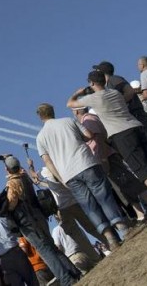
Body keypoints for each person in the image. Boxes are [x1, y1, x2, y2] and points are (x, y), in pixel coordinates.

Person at [35, 103, 128, 250]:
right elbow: (88, 135)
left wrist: (60, 178)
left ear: (40, 117)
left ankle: (109, 236)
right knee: (103, 196)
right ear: (52, 112)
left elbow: (48, 161)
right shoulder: (68, 121)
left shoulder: (40, 138)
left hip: (68, 174)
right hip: (85, 162)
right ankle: (122, 226)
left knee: (88, 205)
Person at [68, 71, 147, 201]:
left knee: (142, 170)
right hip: (137, 126)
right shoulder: (115, 93)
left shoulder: (94, 98)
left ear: (91, 83)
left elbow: (70, 104)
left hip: (121, 134)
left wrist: (77, 93)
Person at [2, 156, 80, 285]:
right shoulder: (25, 177)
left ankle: (66, 280)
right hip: (39, 215)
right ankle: (73, 272)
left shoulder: (12, 183)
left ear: (7, 169)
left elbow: (12, 203)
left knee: (45, 251)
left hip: (28, 221)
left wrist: (5, 208)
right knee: (51, 247)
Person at [72, 106, 147, 222]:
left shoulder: (88, 120)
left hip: (107, 156)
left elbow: (99, 139)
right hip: (105, 156)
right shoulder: (87, 120)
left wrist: (104, 159)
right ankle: (140, 213)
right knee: (122, 186)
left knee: (127, 180)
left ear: (76, 111)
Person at [92, 61, 147, 172]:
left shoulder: (114, 80)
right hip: (134, 118)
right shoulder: (110, 84)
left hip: (137, 116)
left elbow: (129, 92)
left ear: (102, 72)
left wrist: (118, 105)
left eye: (97, 71)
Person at [0, 201, 38, 286]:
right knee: (32, 281)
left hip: (3, 261)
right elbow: (15, 232)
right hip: (16, 253)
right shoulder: (2, 220)